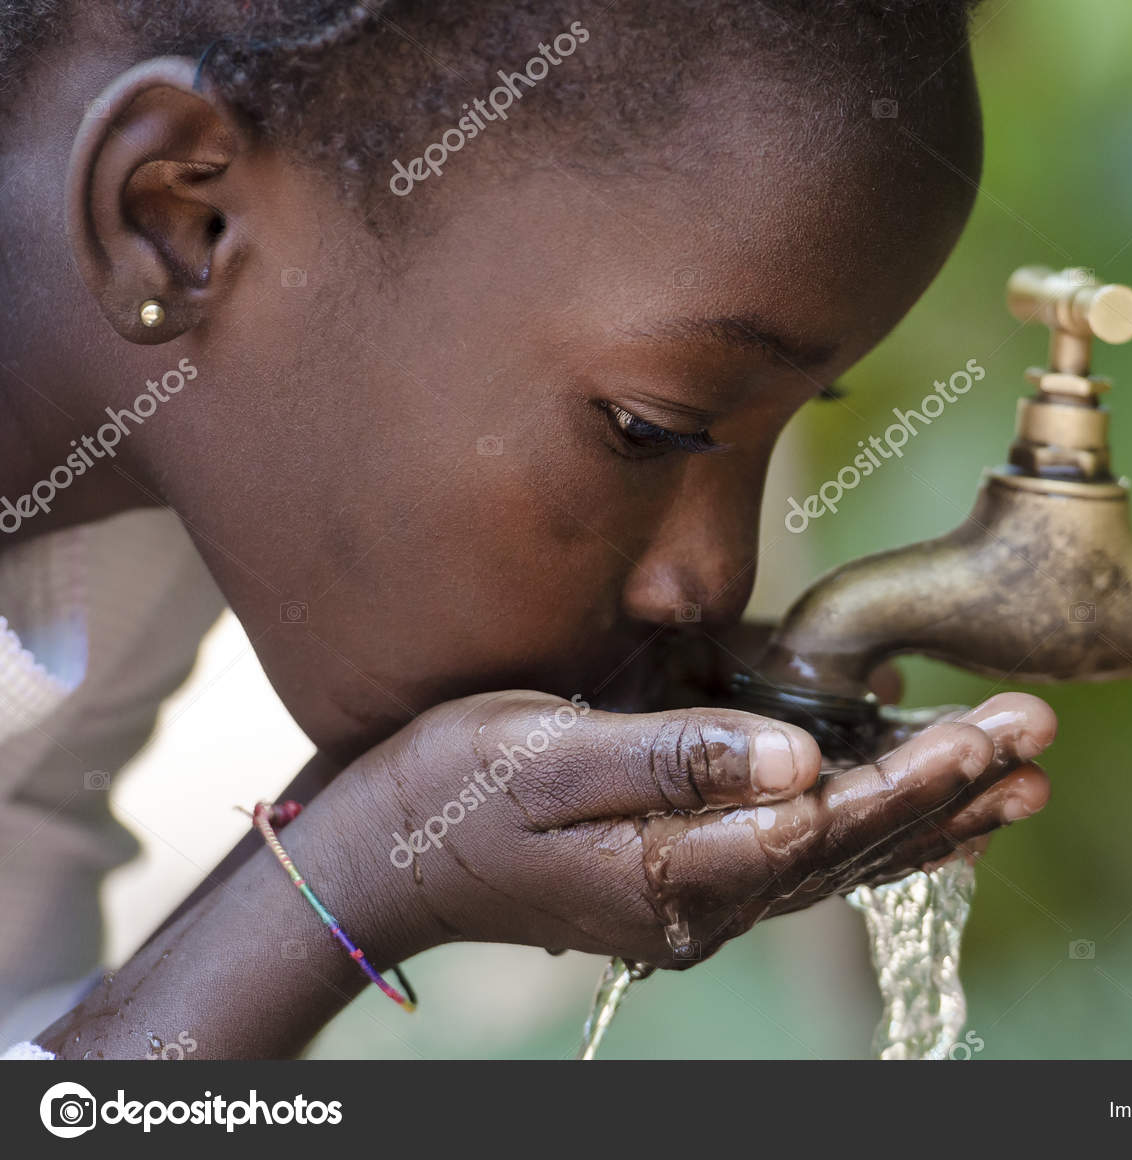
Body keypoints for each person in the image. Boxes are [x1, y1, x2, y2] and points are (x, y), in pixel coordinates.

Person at [0, 0, 1055, 1058]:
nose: (712, 582)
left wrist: (365, 833)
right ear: (178, 219)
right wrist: (351, 878)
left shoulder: (121, 530)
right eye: (650, 429)